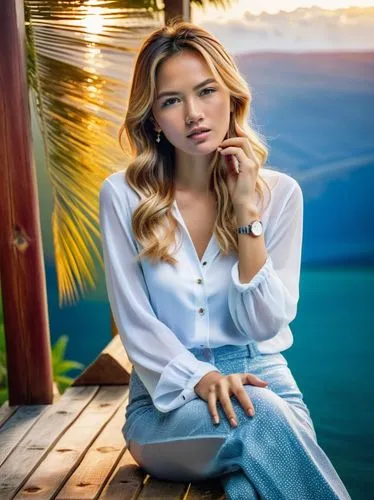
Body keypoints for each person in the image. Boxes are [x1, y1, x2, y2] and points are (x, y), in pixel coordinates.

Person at [99, 19, 352, 500]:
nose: (193, 113)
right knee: (259, 426)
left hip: (266, 381)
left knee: (248, 486)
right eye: (171, 100)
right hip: (165, 403)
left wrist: (245, 212)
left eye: (206, 91)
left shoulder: (280, 194)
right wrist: (203, 378)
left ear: (231, 97)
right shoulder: (123, 196)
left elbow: (265, 324)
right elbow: (135, 323)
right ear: (153, 117)